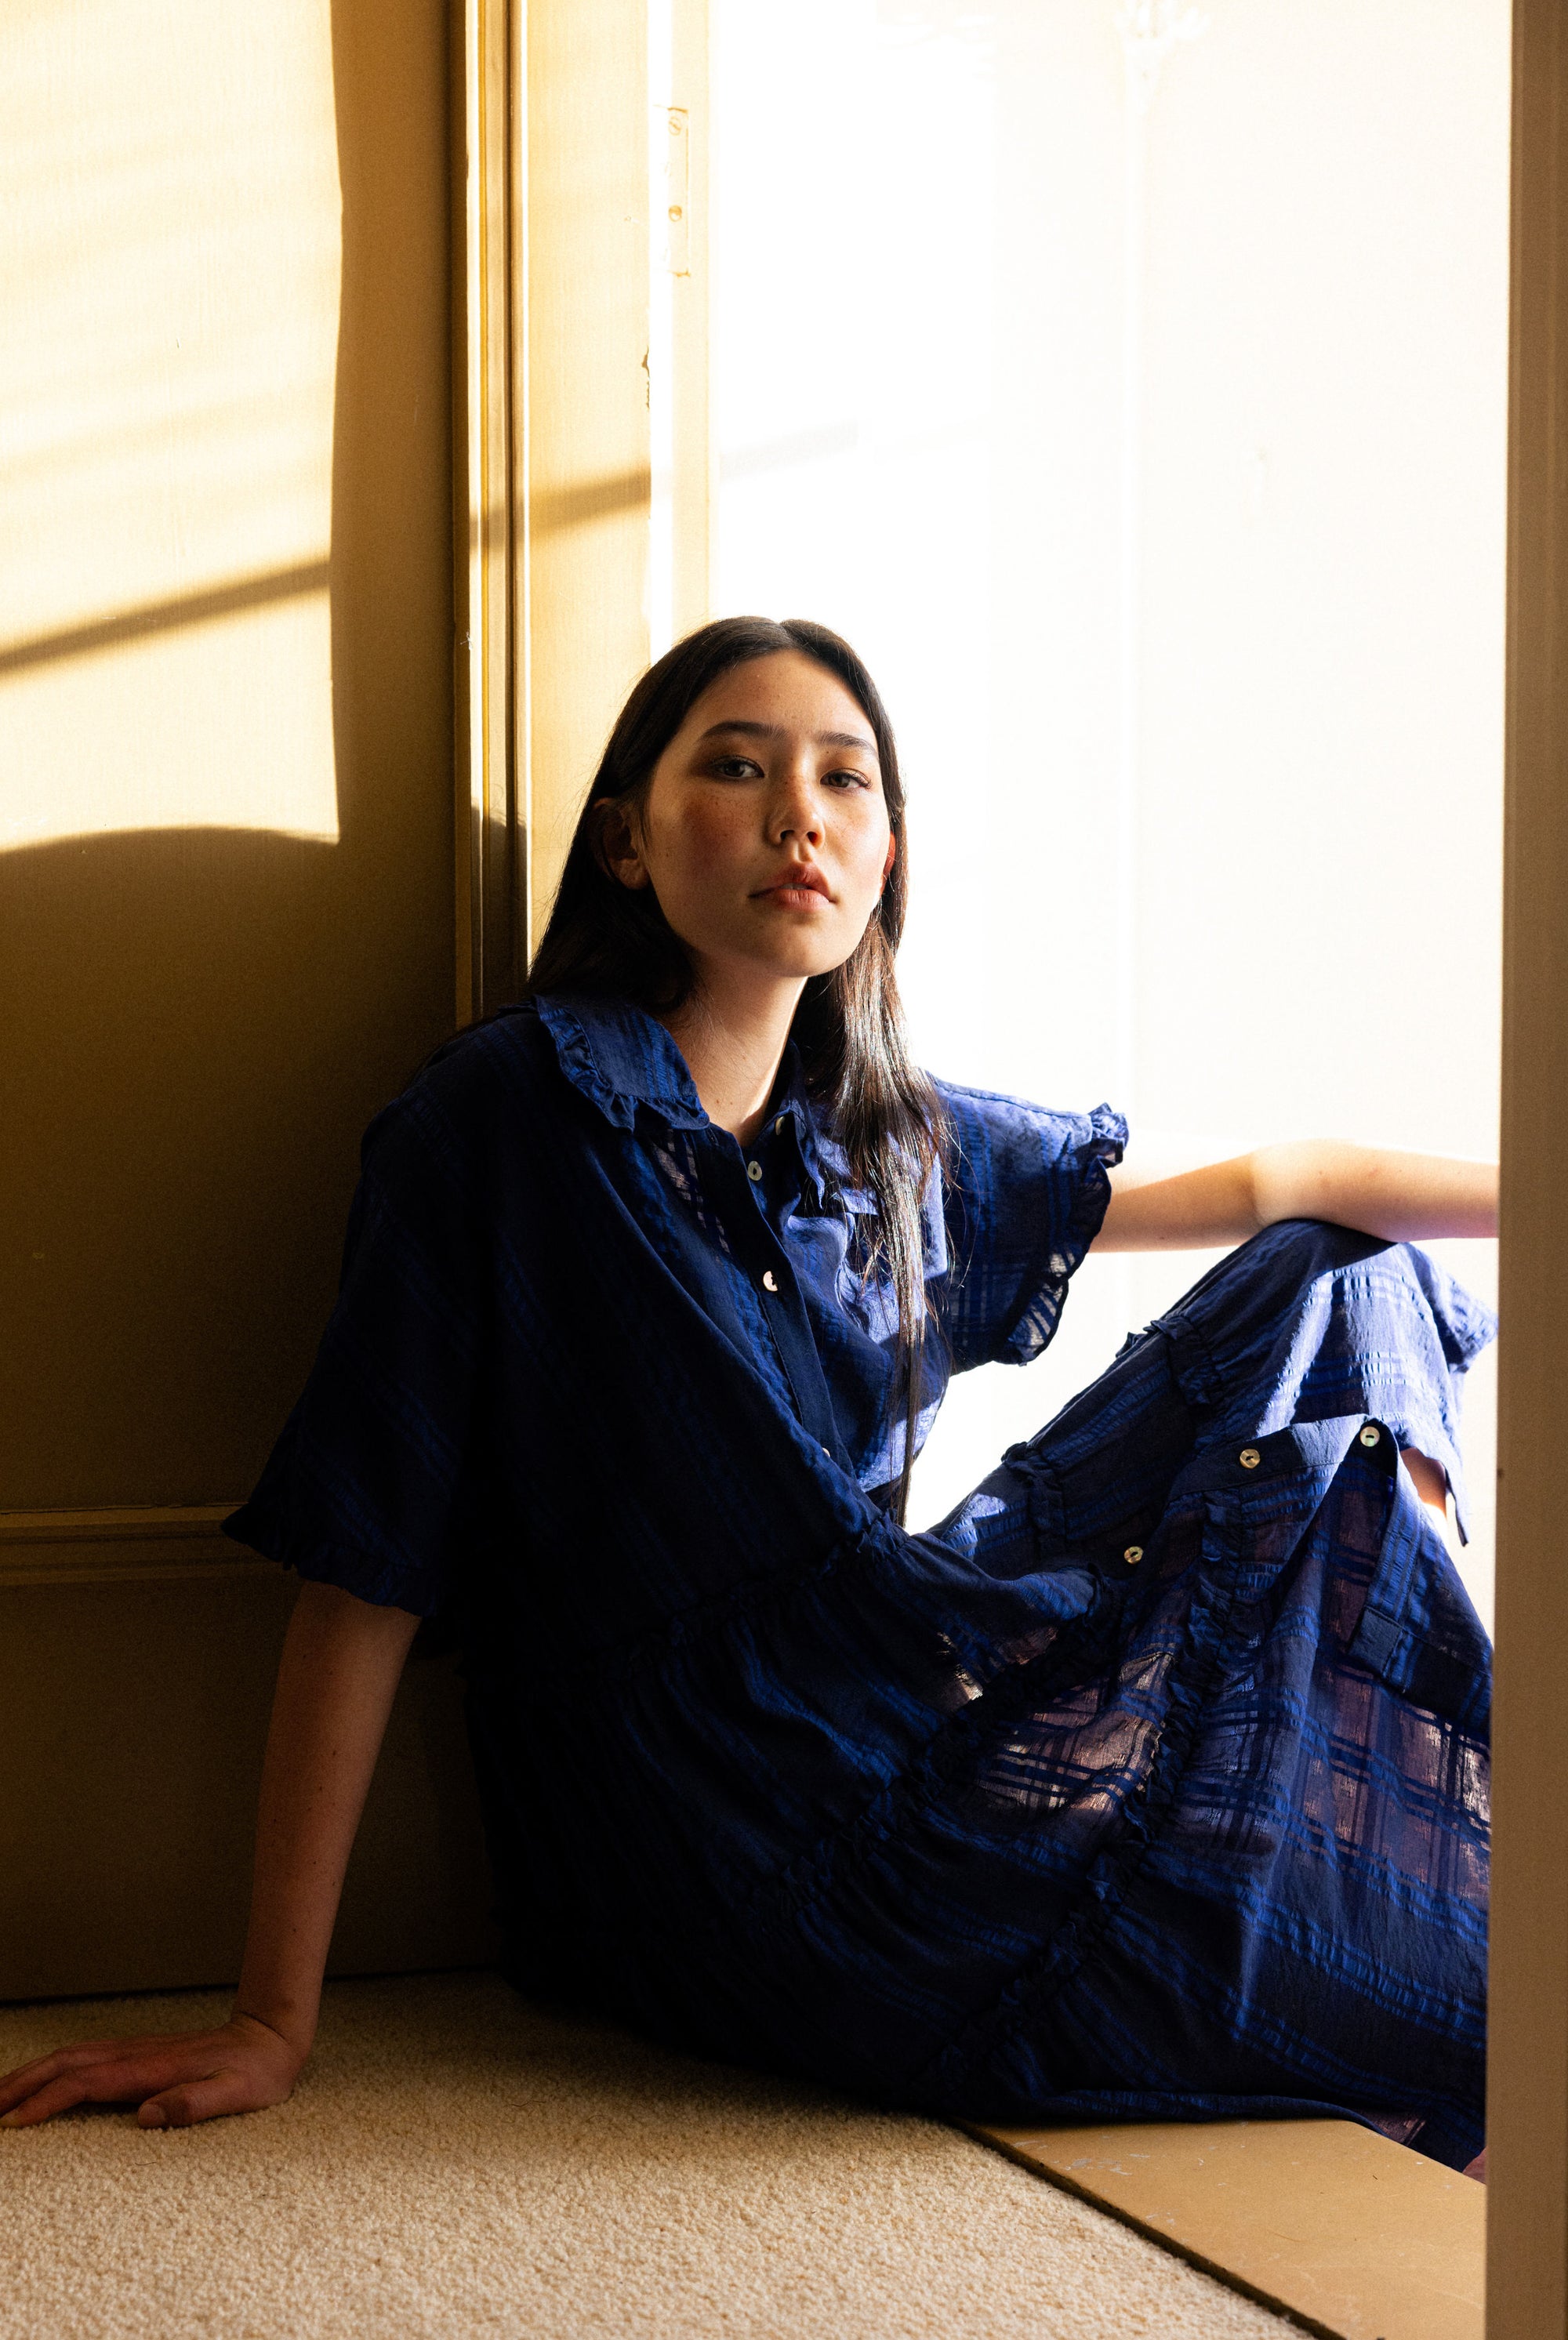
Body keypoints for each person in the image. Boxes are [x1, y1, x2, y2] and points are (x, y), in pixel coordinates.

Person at [0, 618, 1496, 2172]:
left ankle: (1424, 1830)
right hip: (702, 1854)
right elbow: (366, 1557)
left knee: (1348, 1280)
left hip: (917, 1745)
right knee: (1363, 1986)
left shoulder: (889, 1148)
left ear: (884, 859)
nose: (801, 814)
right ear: (626, 846)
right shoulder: (508, 1118)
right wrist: (271, 2014)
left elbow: (1284, 1182)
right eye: (737, 764)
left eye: (844, 779)